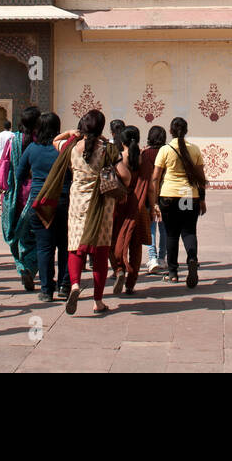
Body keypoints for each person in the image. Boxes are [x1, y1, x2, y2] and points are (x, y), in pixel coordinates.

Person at [61, 110, 125, 315]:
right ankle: (98, 301)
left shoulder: (71, 147)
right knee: (100, 250)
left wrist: (72, 133)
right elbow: (124, 174)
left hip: (78, 201)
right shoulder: (108, 149)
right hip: (102, 203)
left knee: (75, 245)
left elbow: (55, 140)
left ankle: (75, 285)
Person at [19, 111, 72, 301]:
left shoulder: (32, 149)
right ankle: (65, 286)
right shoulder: (65, 149)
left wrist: (36, 180)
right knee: (65, 245)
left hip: (40, 202)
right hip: (64, 201)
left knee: (44, 247)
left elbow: (20, 174)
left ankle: (46, 290)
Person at [152, 116, 207, 288]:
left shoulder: (165, 150)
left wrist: (154, 202)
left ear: (170, 131)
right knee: (189, 231)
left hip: (168, 195)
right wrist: (202, 199)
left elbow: (155, 178)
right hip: (187, 194)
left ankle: (173, 273)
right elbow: (200, 178)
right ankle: (192, 259)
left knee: (171, 233)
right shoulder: (195, 149)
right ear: (187, 130)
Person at [0, 106, 38, 291]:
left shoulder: (14, 141)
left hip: (15, 194)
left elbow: (4, 164)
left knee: (15, 234)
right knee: (34, 236)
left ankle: (21, 266)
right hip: (34, 193)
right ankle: (30, 267)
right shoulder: (40, 142)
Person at [111, 125, 153, 295]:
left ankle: (119, 269)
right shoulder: (143, 160)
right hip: (138, 206)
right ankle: (131, 283)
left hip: (119, 205)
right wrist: (153, 205)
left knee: (114, 240)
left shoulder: (119, 158)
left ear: (122, 141)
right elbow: (149, 187)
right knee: (136, 245)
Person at [143, 125, 168, 274]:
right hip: (165, 194)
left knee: (151, 228)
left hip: (148, 195)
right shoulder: (167, 152)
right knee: (164, 228)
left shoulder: (145, 154)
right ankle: (162, 258)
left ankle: (152, 258)